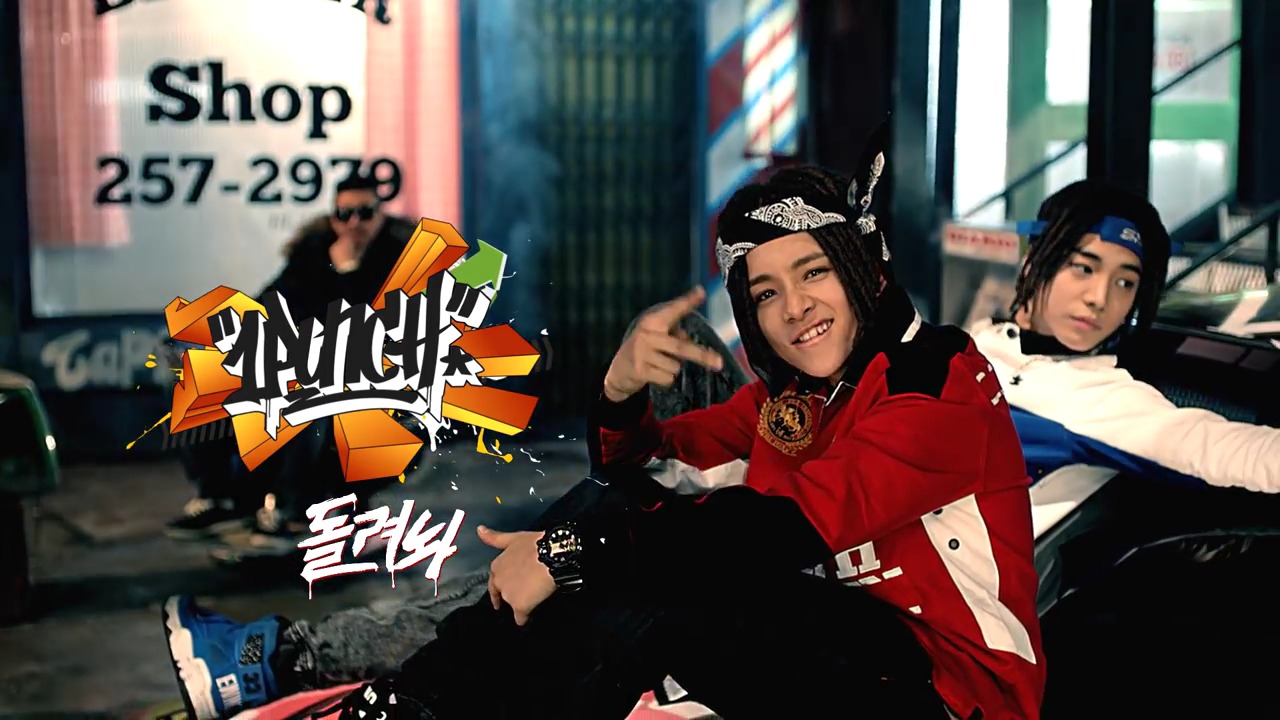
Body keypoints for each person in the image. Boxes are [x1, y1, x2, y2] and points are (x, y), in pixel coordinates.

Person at [166, 134, 1045, 719]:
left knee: (648, 573)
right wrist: (620, 392)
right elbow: (647, 473)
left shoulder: (940, 379)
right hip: (834, 651)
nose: (794, 308)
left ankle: (396, 697)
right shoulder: (800, 403)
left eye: (814, 272)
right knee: (617, 532)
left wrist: (567, 555)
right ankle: (406, 703)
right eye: (765, 292)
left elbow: (780, 528)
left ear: (860, 269)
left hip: (942, 694)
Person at [967, 178, 1279, 493]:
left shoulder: (1103, 401)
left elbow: (1231, 450)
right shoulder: (976, 342)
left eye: (1125, 283)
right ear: (1031, 261)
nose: (1099, 298)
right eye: (1084, 268)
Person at [165, 174, 423, 545]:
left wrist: (348, 272)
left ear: (380, 215)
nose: (354, 223)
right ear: (333, 218)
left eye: (365, 213)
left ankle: (296, 508)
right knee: (197, 379)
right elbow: (269, 303)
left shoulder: (404, 260)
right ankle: (222, 497)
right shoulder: (312, 254)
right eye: (345, 214)